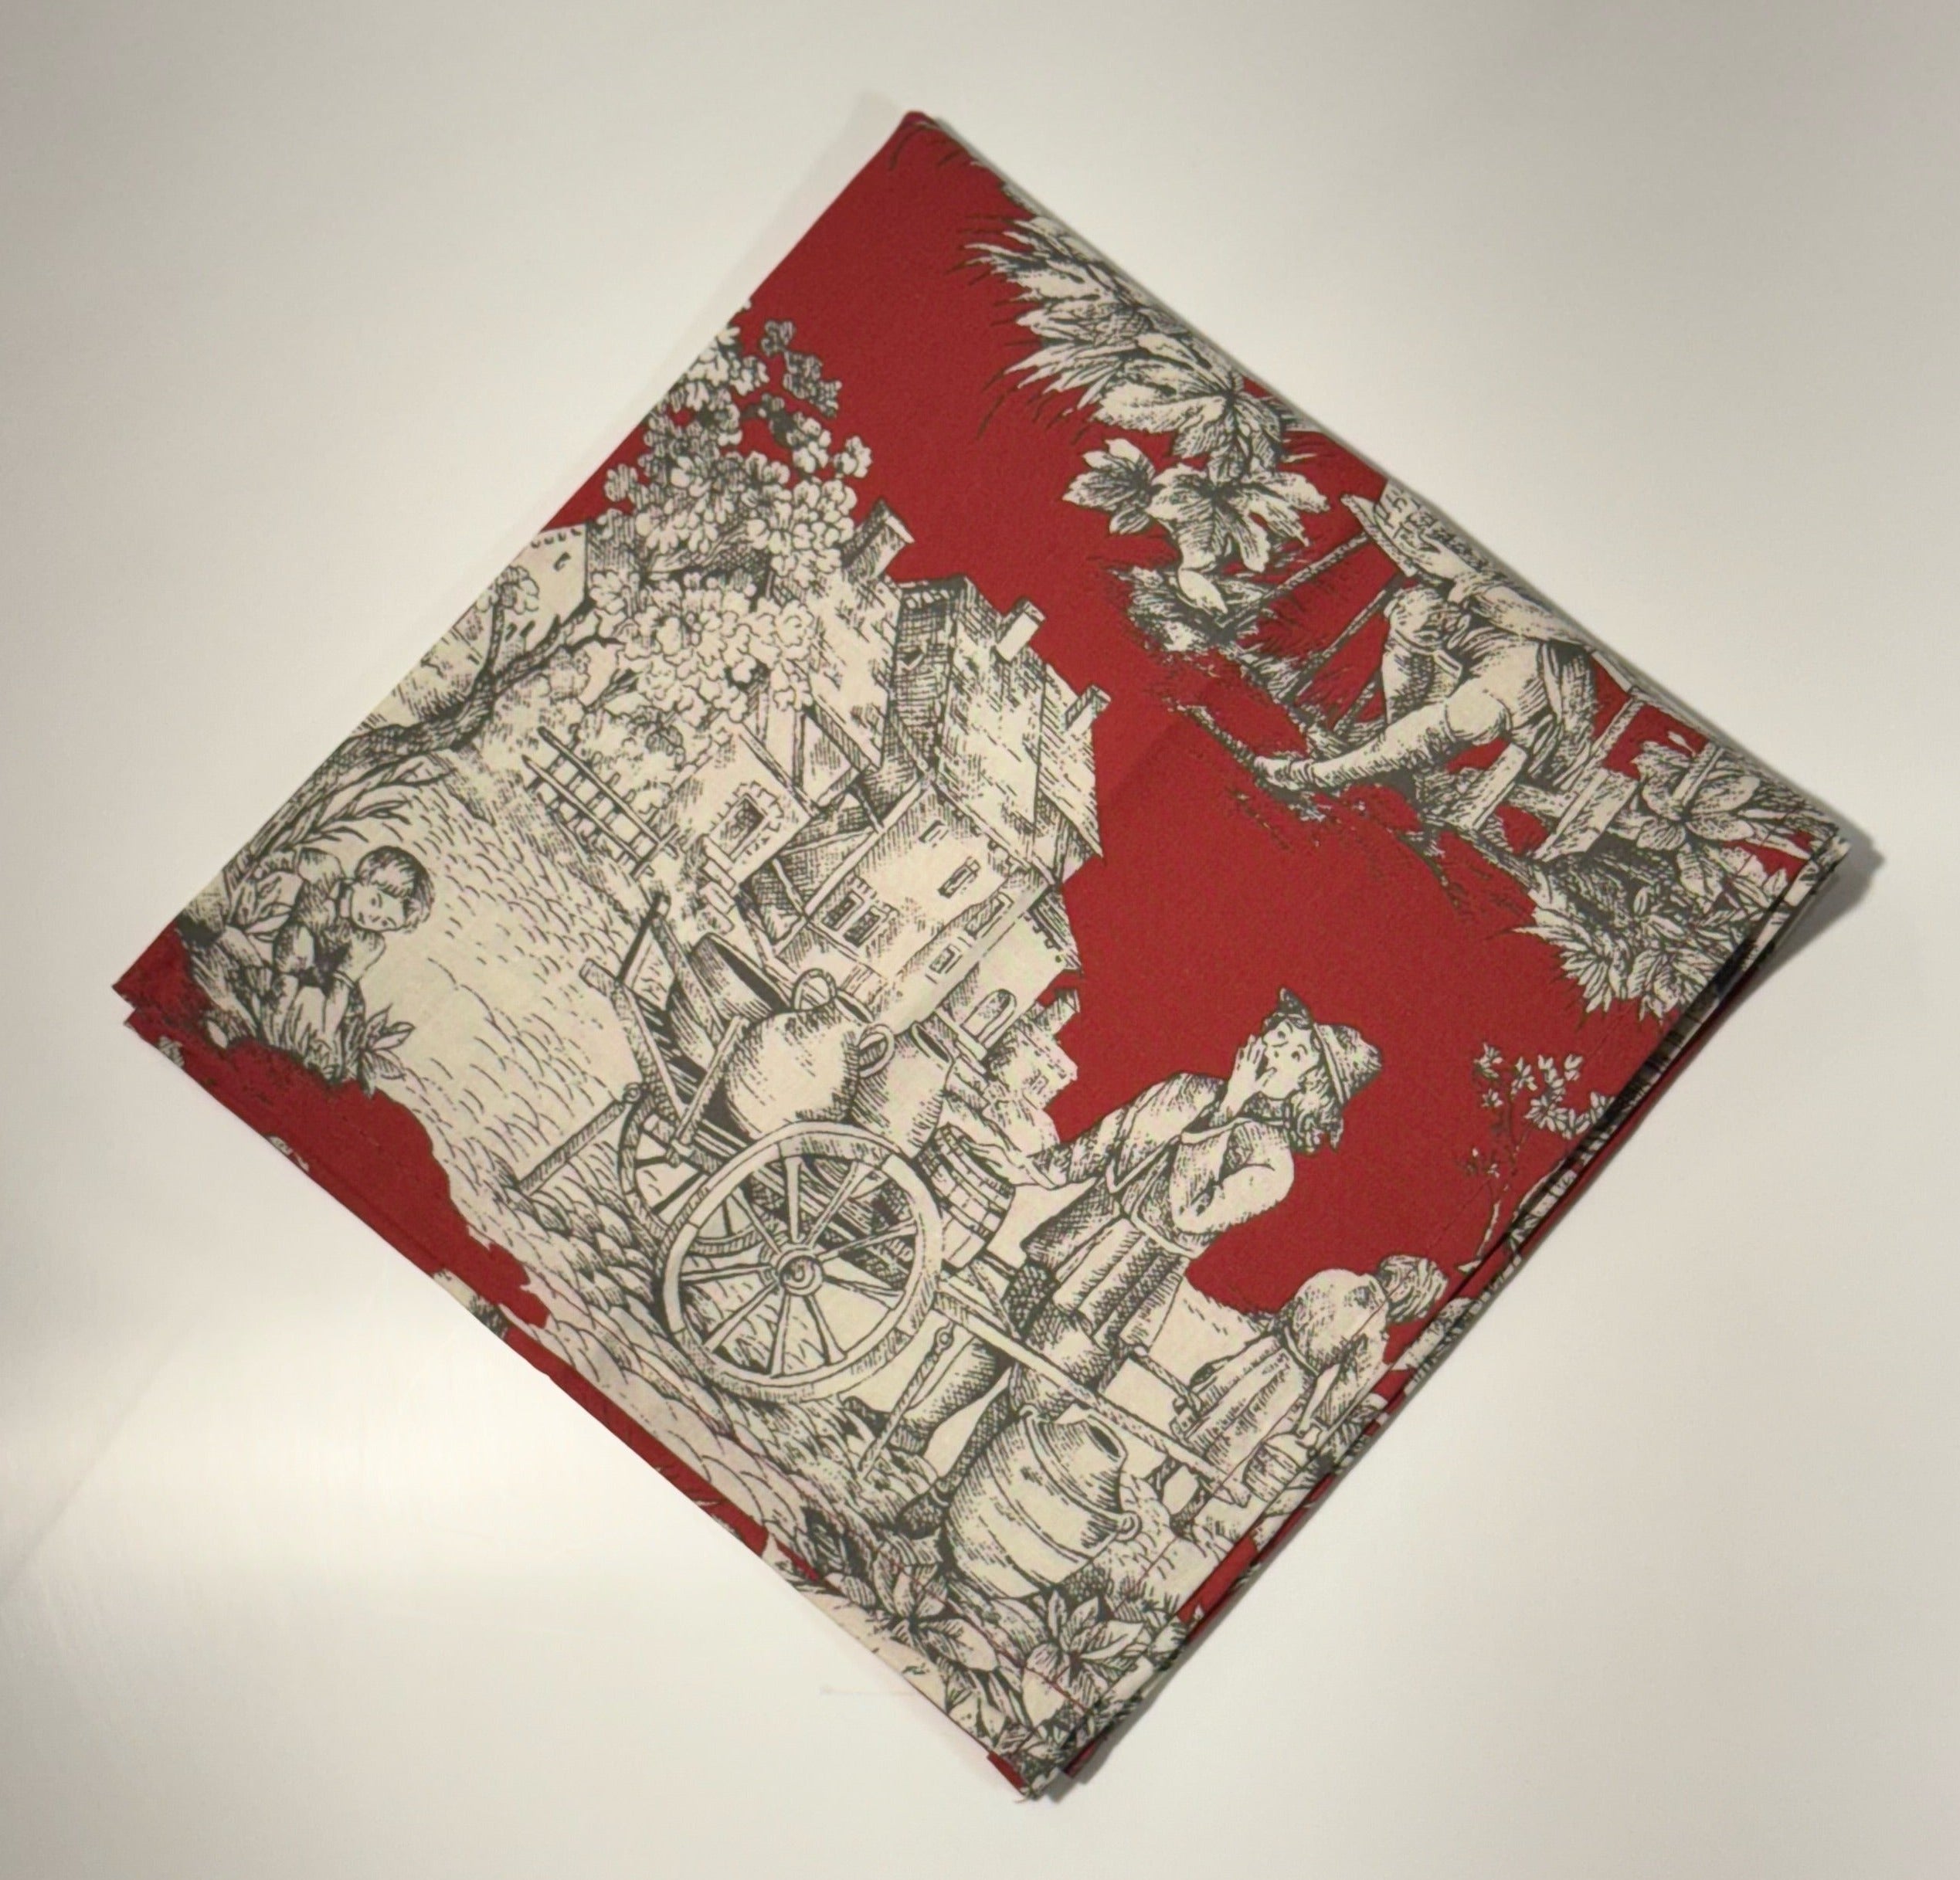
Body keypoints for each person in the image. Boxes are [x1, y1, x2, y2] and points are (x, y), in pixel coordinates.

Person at [885, 992, 1381, 1538]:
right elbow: (1101, 1145)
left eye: (1295, 1054)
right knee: (994, 1340)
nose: (1274, 1050)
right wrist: (1026, 1168)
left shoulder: (1272, 1166)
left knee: (1034, 1392)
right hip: (1074, 1237)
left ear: (1309, 1091)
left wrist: (1224, 1116)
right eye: (1278, 1035)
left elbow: (1186, 1214)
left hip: (1127, 1282)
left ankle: (946, 1493)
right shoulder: (1186, 1088)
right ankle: (909, 1429)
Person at [1254, 484, 1605, 800]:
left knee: (1475, 712)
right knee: (1415, 610)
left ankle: (1318, 775)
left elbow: (1563, 630)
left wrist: (1463, 576)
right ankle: (1397, 753)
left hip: (1544, 672)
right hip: (1491, 624)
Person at [1163, 1251, 1448, 1525]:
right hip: (1292, 1383)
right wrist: (1321, 1422)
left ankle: (1159, 1475)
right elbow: (1348, 1385)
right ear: (1412, 1302)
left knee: (1210, 1414)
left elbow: (1289, 1310)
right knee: (1238, 1444)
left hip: (1264, 1353)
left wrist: (1267, 1341)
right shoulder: (1374, 1330)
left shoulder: (1335, 1277)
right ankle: (1188, 1512)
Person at [264, 845, 433, 1075]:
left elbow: (341, 986)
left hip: (327, 973)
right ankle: (271, 1033)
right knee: (300, 947)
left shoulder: (370, 942)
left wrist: (326, 1036)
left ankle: (332, 1063)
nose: (372, 919)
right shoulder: (327, 874)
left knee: (353, 1009)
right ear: (362, 878)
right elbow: (285, 858)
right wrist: (260, 871)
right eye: (375, 902)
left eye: (386, 923)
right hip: (297, 950)